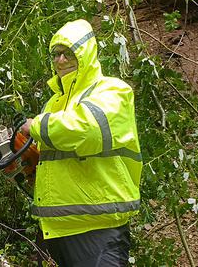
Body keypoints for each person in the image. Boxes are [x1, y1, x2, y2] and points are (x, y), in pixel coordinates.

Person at [20, 19, 142, 266]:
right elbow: (53, 160)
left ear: (85, 53)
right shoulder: (54, 103)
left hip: (99, 227)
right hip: (57, 228)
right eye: (56, 54)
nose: (60, 60)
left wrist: (36, 126)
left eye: (68, 53)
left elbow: (86, 130)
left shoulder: (111, 91)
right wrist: (27, 160)